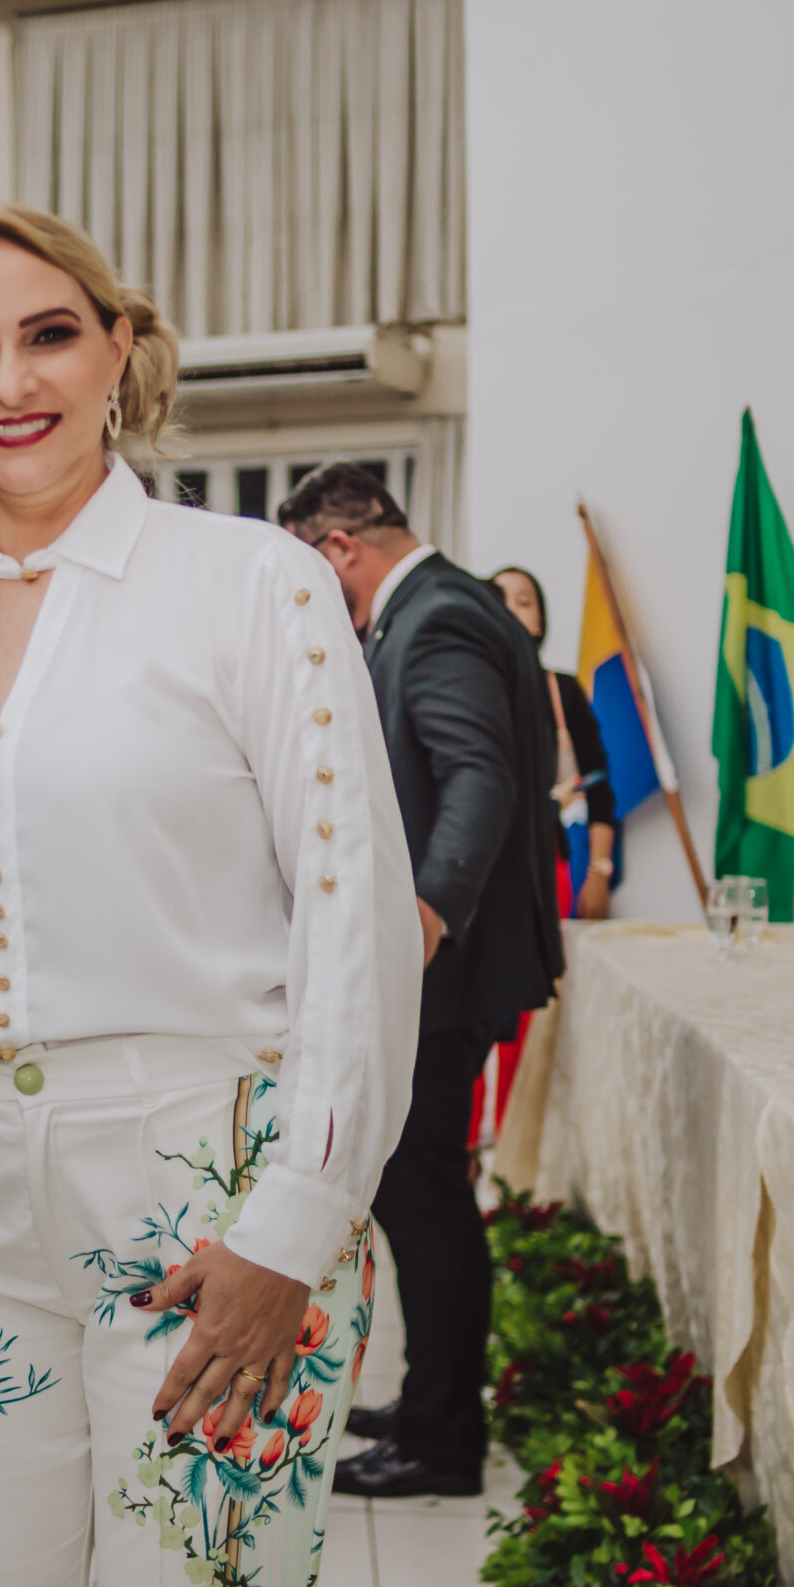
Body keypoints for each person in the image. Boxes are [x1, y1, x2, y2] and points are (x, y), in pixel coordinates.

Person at [0, 205, 420, 1587]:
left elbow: (354, 915)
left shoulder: (255, 582)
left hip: (208, 1192)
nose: (10, 380)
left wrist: (301, 1218)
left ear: (119, 348)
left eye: (49, 334)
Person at [276, 464, 564, 1501]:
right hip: (460, 958)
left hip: (446, 965)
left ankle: (443, 1438)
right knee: (423, 1189)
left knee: (423, 1192)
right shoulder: (449, 603)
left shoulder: (434, 618)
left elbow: (476, 772)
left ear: (340, 547)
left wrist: (428, 914)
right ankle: (431, 1402)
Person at [488, 568, 618, 919]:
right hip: (488, 867)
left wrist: (598, 873)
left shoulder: (563, 691)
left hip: (553, 861)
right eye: (498, 600)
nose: (510, 608)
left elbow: (598, 785)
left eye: (523, 601)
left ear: (539, 623)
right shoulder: (472, 695)